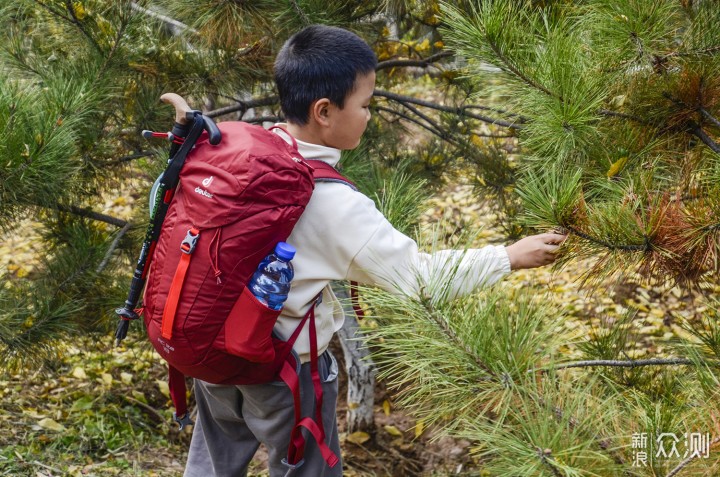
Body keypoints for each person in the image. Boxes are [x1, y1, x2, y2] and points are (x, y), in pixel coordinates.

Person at [183, 24, 566, 477]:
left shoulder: (249, 147)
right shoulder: (332, 203)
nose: (370, 116)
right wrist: (508, 256)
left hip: (208, 351)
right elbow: (419, 278)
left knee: (211, 466)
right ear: (324, 111)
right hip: (285, 371)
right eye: (365, 105)